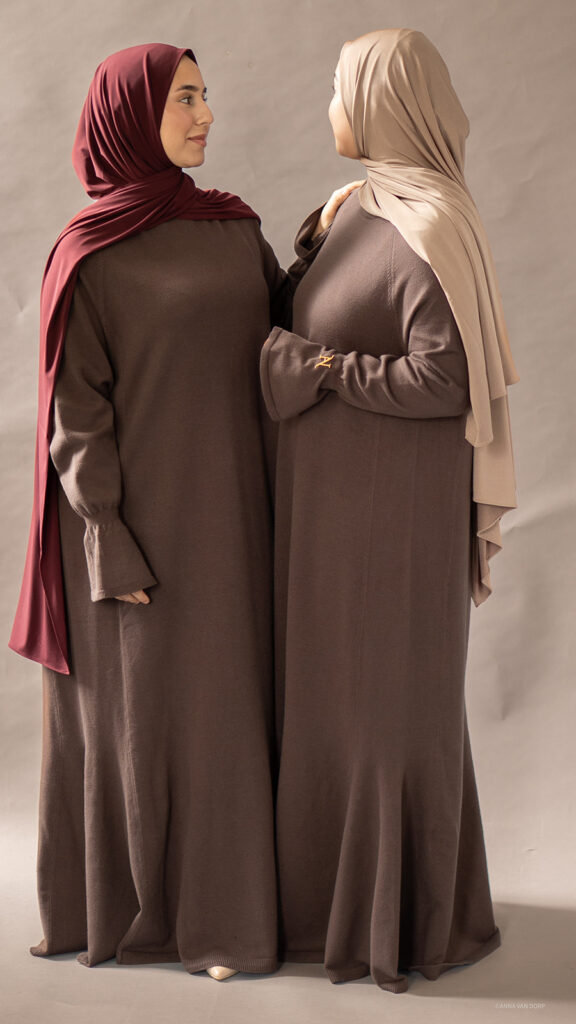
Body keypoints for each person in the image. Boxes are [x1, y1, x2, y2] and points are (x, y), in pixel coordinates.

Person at [9, 43, 288, 980]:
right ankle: (160, 919)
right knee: (151, 719)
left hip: (235, 517)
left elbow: (284, 333)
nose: (206, 116)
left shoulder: (233, 227)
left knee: (225, 712)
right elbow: (74, 411)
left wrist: (329, 244)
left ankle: (227, 913)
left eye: (206, 96)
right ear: (130, 115)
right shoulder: (89, 252)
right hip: (135, 529)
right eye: (184, 99)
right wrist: (107, 534)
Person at [260, 29, 518, 993]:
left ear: (383, 101)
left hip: (391, 523)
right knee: (335, 712)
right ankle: (325, 910)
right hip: (330, 516)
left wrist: (324, 368)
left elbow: (448, 379)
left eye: (340, 90)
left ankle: (401, 925)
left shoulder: (431, 223)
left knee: (384, 714)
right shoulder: (360, 204)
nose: (330, 107)